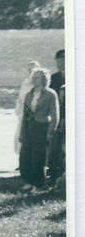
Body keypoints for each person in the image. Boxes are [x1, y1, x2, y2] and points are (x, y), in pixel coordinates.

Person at [17, 67, 59, 194]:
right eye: (33, 78)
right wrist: (22, 131)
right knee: (25, 155)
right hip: (29, 126)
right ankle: (28, 182)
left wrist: (51, 132)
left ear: (44, 79)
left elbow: (55, 115)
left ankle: (38, 183)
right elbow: (26, 114)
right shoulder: (29, 94)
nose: (34, 80)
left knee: (38, 157)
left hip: (41, 127)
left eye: (36, 78)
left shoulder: (50, 94)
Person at [13, 60, 42, 154]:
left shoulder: (41, 83)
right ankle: (22, 159)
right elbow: (20, 97)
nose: (31, 70)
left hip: (36, 114)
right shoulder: (25, 82)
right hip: (23, 113)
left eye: (34, 68)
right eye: (29, 69)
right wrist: (18, 110)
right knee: (20, 135)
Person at [47, 49, 65, 186]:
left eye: (64, 60)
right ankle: (54, 174)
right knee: (55, 146)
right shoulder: (54, 79)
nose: (62, 63)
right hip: (57, 117)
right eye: (59, 61)